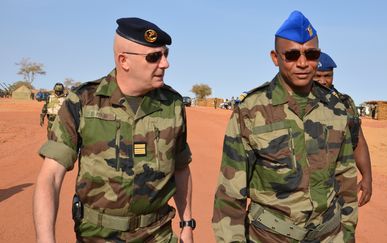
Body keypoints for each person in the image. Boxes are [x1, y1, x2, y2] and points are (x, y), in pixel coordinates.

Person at [33, 17, 195, 243]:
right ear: (124, 60)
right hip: (98, 236)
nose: (165, 63)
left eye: (166, 54)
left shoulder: (173, 105)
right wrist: (45, 239)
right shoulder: (83, 101)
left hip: (158, 234)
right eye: (154, 57)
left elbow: (180, 169)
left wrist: (187, 225)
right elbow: (50, 176)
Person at [212, 11, 357, 242]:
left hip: (329, 234)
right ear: (275, 57)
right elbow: (230, 195)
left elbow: (346, 177)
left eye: (311, 55)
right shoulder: (251, 111)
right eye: (291, 55)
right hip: (270, 236)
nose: (302, 63)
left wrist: (347, 232)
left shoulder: (336, 107)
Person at [314, 52, 373, 207]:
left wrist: (367, 177)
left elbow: (358, 140)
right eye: (317, 76)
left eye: (327, 76)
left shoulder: (344, 103)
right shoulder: (297, 103)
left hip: (341, 187)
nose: (323, 81)